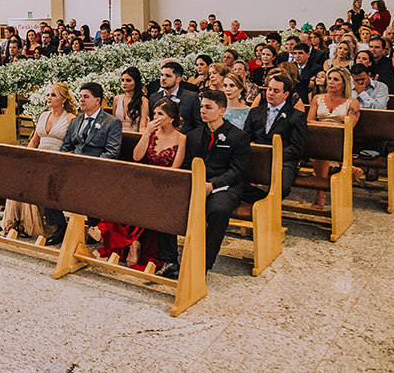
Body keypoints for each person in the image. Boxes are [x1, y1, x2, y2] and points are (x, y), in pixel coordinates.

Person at [157, 89, 250, 277]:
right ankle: (169, 260)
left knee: (218, 210)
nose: (203, 111)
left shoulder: (238, 136)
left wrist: (212, 185)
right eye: (201, 107)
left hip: (225, 187)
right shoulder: (193, 135)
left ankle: (202, 264)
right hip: (196, 183)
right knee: (166, 204)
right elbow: (185, 164)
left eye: (208, 107)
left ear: (222, 111)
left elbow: (237, 170)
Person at [95, 99, 186, 268]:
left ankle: (129, 240)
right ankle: (121, 237)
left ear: (171, 118)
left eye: (160, 114)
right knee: (122, 194)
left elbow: (175, 168)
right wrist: (147, 133)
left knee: (147, 201)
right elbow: (137, 156)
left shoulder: (181, 139)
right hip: (146, 179)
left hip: (166, 183)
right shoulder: (152, 134)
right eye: (155, 113)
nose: (155, 117)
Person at [46, 82, 121, 246]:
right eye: (80, 96)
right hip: (73, 169)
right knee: (48, 182)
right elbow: (66, 146)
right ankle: (60, 227)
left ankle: (93, 226)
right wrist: (65, 159)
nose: (81, 100)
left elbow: (112, 152)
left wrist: (91, 166)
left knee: (87, 186)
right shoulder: (76, 122)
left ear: (97, 100)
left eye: (86, 97)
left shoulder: (111, 122)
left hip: (97, 171)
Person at [1, 83, 76, 238]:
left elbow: (73, 147)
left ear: (63, 99)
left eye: (53, 95)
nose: (49, 97)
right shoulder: (43, 115)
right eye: (48, 94)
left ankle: (53, 226)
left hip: (57, 162)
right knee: (17, 178)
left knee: (41, 183)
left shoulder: (70, 118)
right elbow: (34, 142)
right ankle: (19, 222)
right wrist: (26, 159)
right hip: (39, 160)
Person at [242, 74, 307, 202]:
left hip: (284, 160)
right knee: (232, 180)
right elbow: (246, 138)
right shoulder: (255, 112)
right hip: (257, 157)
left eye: (276, 91)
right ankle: (264, 202)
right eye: (269, 89)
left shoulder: (296, 116)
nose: (270, 93)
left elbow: (297, 147)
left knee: (281, 188)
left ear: (286, 94)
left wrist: (275, 154)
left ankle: (268, 204)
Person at [307, 66, 361, 209]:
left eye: (335, 79)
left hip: (340, 139)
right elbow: (309, 121)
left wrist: (329, 129)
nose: (331, 82)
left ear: (344, 83)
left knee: (322, 151)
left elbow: (349, 127)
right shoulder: (317, 98)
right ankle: (349, 168)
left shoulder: (352, 103)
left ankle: (320, 197)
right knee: (321, 149)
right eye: (329, 78)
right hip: (318, 136)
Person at [149, 61, 202, 135]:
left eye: (168, 76)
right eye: (162, 75)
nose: (163, 78)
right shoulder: (154, 98)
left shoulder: (191, 97)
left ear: (178, 79)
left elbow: (199, 126)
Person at [111, 67, 149, 132]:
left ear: (136, 82)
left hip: (134, 137)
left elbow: (143, 127)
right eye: (122, 80)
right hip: (116, 137)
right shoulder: (117, 98)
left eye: (128, 80)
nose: (124, 83)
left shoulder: (143, 101)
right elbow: (113, 123)